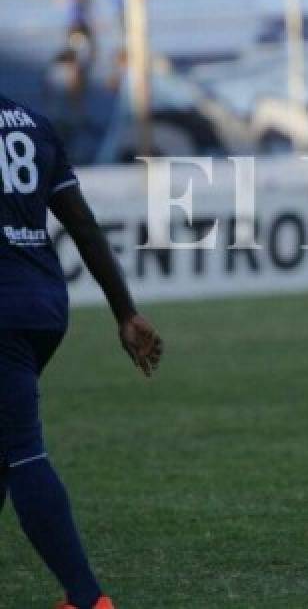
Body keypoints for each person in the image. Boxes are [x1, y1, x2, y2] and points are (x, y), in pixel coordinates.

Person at [0, 92, 164, 609]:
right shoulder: (33, 123)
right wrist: (125, 311)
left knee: (23, 452)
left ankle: (88, 599)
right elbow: (82, 224)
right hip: (43, 304)